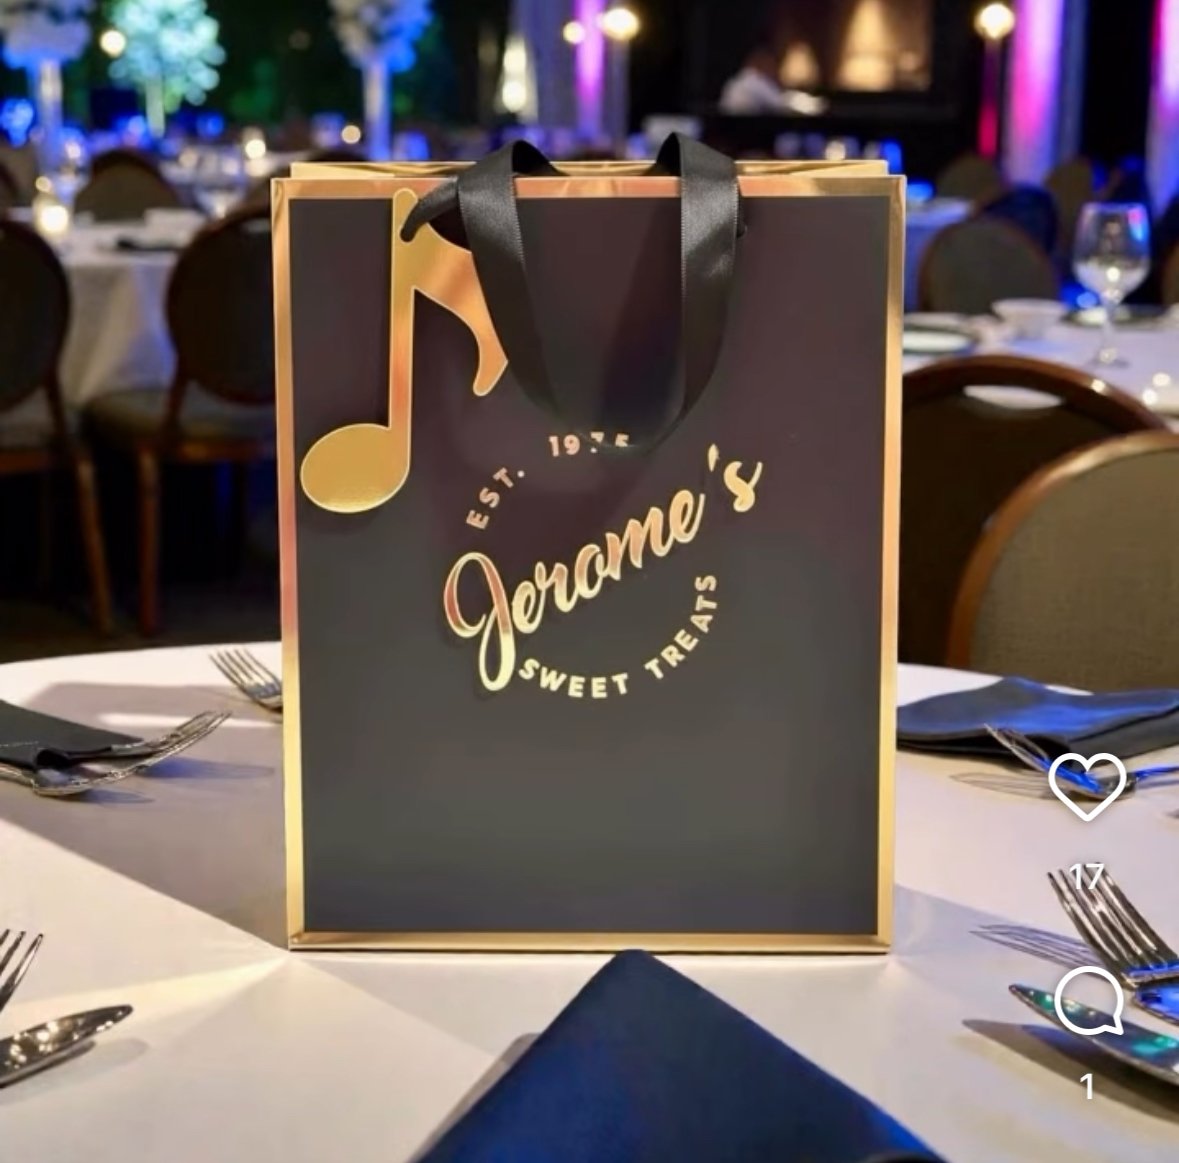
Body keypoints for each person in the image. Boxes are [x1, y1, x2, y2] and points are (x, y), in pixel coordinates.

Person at [719, 45, 827, 116]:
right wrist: (812, 105)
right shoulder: (754, 80)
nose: (773, 70)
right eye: (770, 65)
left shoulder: (737, 79)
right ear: (761, 64)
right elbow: (778, 104)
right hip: (745, 134)